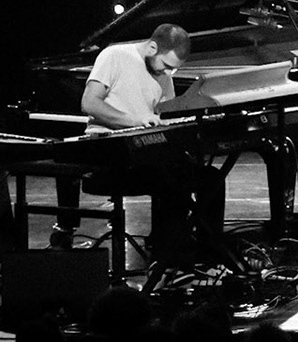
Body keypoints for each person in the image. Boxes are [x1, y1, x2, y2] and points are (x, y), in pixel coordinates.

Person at [50, 23, 223, 265]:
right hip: (107, 153)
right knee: (169, 181)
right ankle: (166, 259)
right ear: (152, 47)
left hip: (144, 152)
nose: (168, 73)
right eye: (166, 65)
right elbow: (89, 103)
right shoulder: (115, 56)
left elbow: (166, 115)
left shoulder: (164, 75)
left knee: (209, 178)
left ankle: (208, 257)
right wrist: (135, 121)